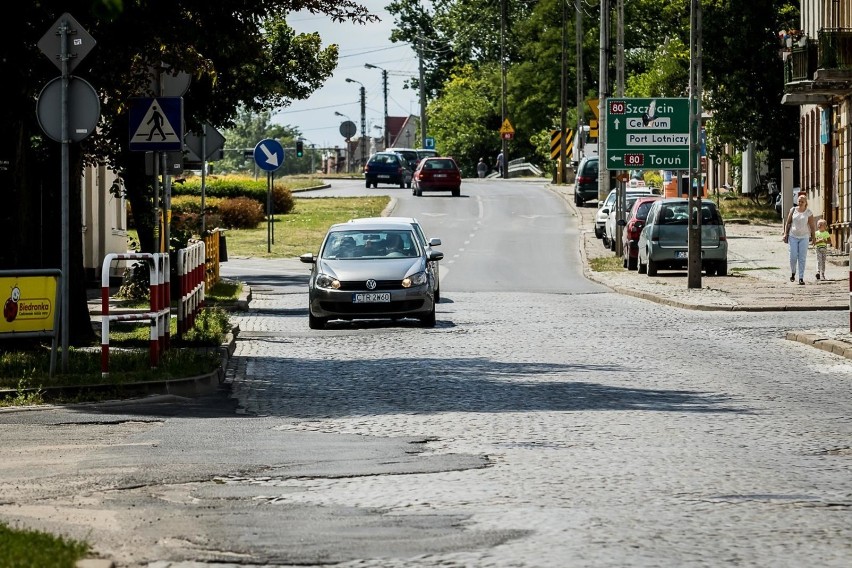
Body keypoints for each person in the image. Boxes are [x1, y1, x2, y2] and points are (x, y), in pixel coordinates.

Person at [782, 194, 816, 285]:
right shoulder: (793, 210)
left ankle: (801, 277)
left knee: (802, 258)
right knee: (793, 256)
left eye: (802, 201)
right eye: (799, 201)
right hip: (793, 236)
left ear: (806, 203)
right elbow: (788, 223)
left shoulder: (808, 212)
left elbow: (812, 226)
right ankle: (793, 272)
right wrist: (785, 233)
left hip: (804, 237)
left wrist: (814, 237)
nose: (800, 203)